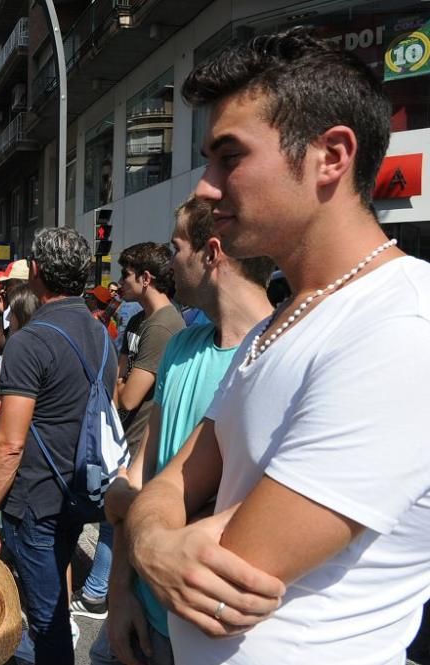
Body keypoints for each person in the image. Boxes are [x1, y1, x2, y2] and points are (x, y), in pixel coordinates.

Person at [126, 27, 430, 663]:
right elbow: (173, 479)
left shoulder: (402, 324)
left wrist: (148, 532)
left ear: (331, 156)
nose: (206, 188)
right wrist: (153, 541)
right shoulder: (278, 326)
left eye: (228, 156)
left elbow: (229, 574)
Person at [90, 195, 274, 665]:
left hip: (208, 626)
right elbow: (141, 472)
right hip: (146, 608)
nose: (169, 263)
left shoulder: (279, 355)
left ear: (211, 254)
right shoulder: (182, 345)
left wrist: (130, 504)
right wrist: (120, 590)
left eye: (176, 249)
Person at [0, 228, 117, 664]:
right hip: (80, 490)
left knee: (47, 623)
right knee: (53, 598)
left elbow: (10, 444)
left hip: (36, 498)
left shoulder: (30, 340)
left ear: (35, 271)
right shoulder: (101, 333)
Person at [73, 242, 184, 620]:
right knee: (112, 514)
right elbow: (116, 378)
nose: (119, 282)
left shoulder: (166, 326)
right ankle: (101, 589)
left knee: (116, 519)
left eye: (125, 274)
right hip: (122, 434)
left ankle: (97, 593)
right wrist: (119, 383)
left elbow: (130, 395)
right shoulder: (139, 322)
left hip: (140, 439)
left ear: (146, 278)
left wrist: (119, 383)